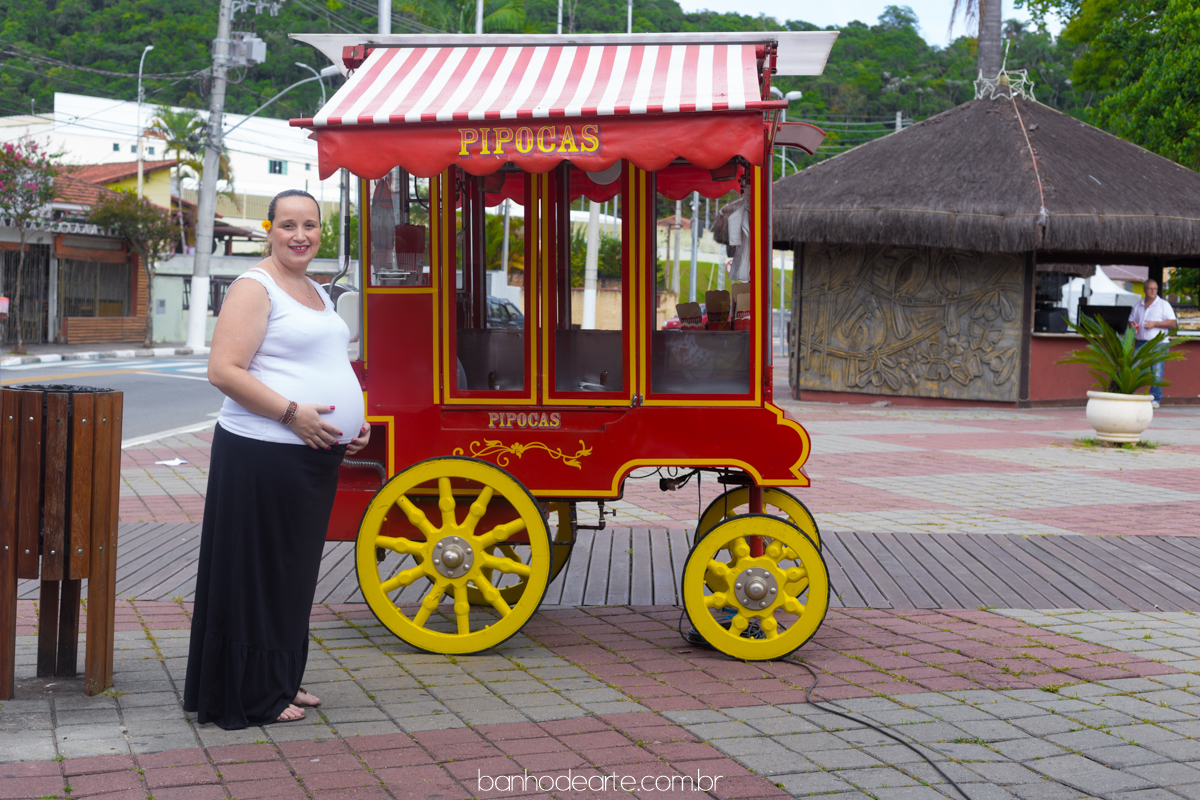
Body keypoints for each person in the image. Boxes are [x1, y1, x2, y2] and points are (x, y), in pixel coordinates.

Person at [183, 189, 370, 729]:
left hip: (310, 456)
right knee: (259, 575)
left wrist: (354, 424)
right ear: (270, 230)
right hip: (263, 453)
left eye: (310, 225)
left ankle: (280, 678)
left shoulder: (316, 290)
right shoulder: (255, 286)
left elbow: (326, 360)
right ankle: (251, 693)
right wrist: (292, 414)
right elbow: (224, 370)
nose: (300, 235)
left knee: (291, 575)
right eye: (288, 224)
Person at [1128, 278, 1177, 408]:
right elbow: (1131, 320)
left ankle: (1156, 399)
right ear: (1144, 289)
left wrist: (1155, 324)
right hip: (1141, 342)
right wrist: (1131, 324)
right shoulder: (1138, 306)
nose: (1153, 291)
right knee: (1134, 368)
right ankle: (1129, 393)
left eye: (1155, 289)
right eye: (1150, 288)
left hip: (1159, 343)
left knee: (1156, 371)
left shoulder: (1163, 304)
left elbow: (1173, 323)